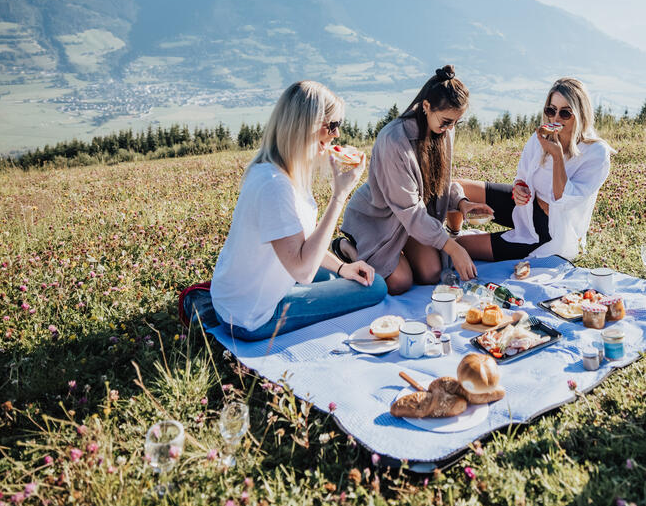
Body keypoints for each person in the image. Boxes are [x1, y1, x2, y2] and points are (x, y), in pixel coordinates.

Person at [211, 81, 387, 341]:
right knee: (376, 288)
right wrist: (339, 196)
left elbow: (300, 242)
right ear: (306, 124)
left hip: (234, 301)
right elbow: (303, 272)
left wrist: (341, 268)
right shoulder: (274, 186)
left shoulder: (275, 169)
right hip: (252, 316)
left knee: (349, 276)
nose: (336, 135)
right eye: (332, 125)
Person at [336, 66, 494, 295]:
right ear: (426, 106)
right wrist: (453, 248)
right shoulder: (393, 141)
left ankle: (399, 254)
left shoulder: (443, 131)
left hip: (409, 223)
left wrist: (462, 203)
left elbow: (439, 183)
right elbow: (409, 210)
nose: (449, 129)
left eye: (455, 123)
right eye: (446, 122)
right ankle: (348, 248)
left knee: (431, 273)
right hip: (379, 221)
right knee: (400, 282)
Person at [455, 77, 613, 261]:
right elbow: (522, 175)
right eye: (551, 110)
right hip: (525, 206)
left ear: (580, 114)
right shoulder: (543, 135)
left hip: (549, 230)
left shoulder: (596, 153)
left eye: (565, 113)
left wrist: (556, 156)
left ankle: (454, 240)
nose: (555, 118)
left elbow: (564, 201)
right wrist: (519, 187)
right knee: (456, 187)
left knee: (459, 246)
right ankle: (453, 229)